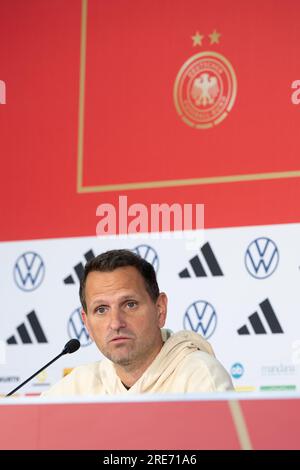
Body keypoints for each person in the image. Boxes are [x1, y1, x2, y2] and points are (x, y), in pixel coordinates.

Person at [42, 249, 233, 396]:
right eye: (101, 309)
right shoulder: (77, 388)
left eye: (130, 304)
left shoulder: (200, 378)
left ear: (160, 309)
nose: (115, 323)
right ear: (87, 323)